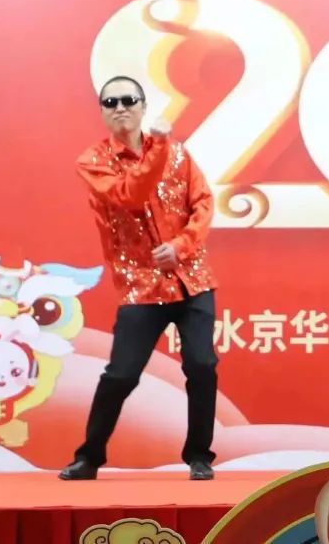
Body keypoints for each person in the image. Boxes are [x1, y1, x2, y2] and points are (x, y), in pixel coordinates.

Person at [61, 76, 220, 481]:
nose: (120, 108)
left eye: (128, 100)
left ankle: (199, 455)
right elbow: (130, 194)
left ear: (143, 107)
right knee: (121, 374)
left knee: (202, 365)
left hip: (191, 279)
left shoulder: (179, 154)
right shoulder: (93, 161)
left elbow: (203, 202)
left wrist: (181, 245)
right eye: (110, 102)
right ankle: (89, 456)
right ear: (102, 112)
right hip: (141, 285)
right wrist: (160, 147)